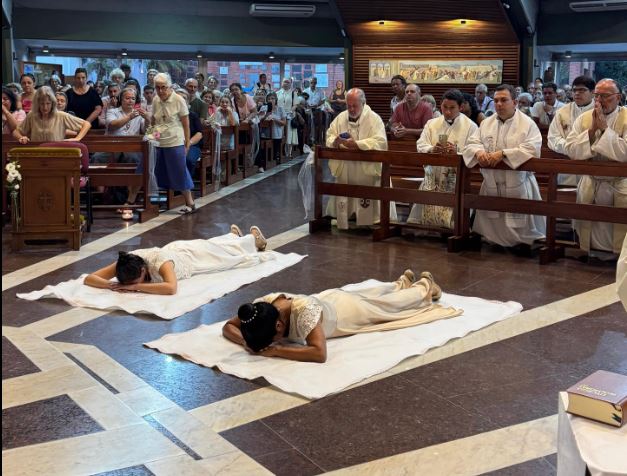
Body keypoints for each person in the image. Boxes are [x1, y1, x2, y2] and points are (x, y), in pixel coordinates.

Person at [222, 270, 459, 362]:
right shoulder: (260, 308)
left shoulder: (305, 313)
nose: (273, 343)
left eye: (273, 338)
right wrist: (247, 341)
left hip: (346, 314)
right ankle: (401, 283)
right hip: (328, 299)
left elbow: (319, 353)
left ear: (278, 324)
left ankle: (425, 286)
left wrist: (275, 350)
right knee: (371, 295)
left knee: (388, 307)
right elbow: (227, 327)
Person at [462, 84, 545, 250]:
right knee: (491, 223)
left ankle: (522, 243)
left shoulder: (527, 124)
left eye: (504, 100)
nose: (499, 104)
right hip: (492, 181)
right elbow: (472, 142)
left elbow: (532, 147)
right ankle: (492, 239)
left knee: (521, 224)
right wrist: (479, 153)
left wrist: (503, 154)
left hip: (517, 181)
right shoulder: (487, 123)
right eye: (496, 100)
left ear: (514, 102)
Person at [84, 225, 268, 295]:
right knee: (218, 248)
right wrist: (111, 285)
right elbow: (89, 278)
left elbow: (171, 288)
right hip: (177, 250)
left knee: (227, 258)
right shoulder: (125, 263)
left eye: (136, 280)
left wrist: (134, 287)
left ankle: (253, 239)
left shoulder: (159, 262)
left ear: (143, 270)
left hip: (189, 257)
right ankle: (233, 236)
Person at [563, 78, 627, 255]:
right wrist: (591, 131)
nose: (599, 100)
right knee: (589, 227)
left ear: (618, 97)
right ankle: (589, 252)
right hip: (591, 181)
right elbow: (571, 150)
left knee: (617, 226)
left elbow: (625, 153)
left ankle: (618, 255)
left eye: (605, 96)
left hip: (620, 183)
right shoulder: (584, 119)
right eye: (597, 95)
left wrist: (606, 130)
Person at [408, 89, 478, 228]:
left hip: (456, 178)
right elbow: (421, 144)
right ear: (440, 105)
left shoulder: (470, 126)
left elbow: (474, 149)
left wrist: (457, 151)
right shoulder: (431, 124)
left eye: (452, 108)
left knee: (452, 218)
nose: (447, 112)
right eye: (445, 107)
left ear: (461, 107)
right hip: (433, 174)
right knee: (425, 213)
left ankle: (453, 228)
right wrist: (432, 149)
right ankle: (427, 228)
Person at [325, 88, 388, 229]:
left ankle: (370, 219)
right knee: (344, 188)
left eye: (355, 106)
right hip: (345, 164)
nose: (351, 109)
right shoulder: (341, 117)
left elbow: (380, 141)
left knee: (365, 193)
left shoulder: (374, 119)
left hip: (365, 167)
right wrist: (335, 141)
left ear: (363, 103)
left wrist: (358, 145)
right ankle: (345, 215)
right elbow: (329, 135)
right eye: (349, 106)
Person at [151, 72, 196, 214]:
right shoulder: (155, 100)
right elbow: (154, 121)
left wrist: (187, 144)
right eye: (157, 88)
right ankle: (147, 202)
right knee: (153, 170)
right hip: (159, 141)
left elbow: (186, 125)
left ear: (169, 86)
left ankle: (190, 203)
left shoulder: (178, 100)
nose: (160, 91)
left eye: (163, 87)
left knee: (179, 171)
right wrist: (151, 135)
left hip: (175, 141)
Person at [547, 76, 595, 186]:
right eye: (574, 90)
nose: (577, 93)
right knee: (565, 199)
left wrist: (580, 149)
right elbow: (552, 138)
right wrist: (572, 148)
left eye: (582, 90)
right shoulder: (562, 112)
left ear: (593, 92)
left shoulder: (600, 111)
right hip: (567, 167)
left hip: (591, 167)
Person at [13, 86, 91, 143]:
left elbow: (86, 124)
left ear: (53, 103)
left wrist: (77, 138)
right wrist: (21, 138)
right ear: (37, 104)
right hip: (36, 154)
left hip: (56, 154)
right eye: (42, 104)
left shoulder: (61, 115)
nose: (45, 107)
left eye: (48, 103)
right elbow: (16, 132)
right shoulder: (32, 115)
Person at [276, 77, 298, 158]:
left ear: (290, 83)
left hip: (290, 115)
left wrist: (290, 112)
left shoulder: (293, 93)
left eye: (287, 82)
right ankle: (280, 151)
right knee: (280, 133)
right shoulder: (277, 93)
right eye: (284, 82)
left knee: (289, 134)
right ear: (281, 83)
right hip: (280, 115)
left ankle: (289, 152)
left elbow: (295, 105)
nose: (286, 83)